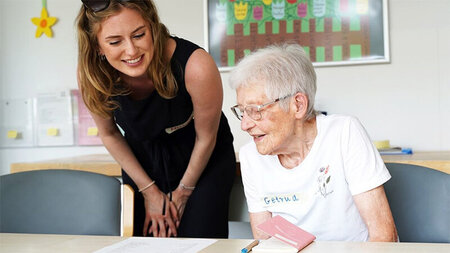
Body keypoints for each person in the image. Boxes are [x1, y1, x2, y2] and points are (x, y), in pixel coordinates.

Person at [75, 0, 235, 238]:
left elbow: (206, 137)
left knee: (199, 240)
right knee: (146, 241)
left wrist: (183, 191)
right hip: (143, 163)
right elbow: (109, 133)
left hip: (202, 157)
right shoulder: (92, 75)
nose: (131, 51)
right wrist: (149, 191)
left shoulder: (196, 66)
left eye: (139, 35)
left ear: (152, 27)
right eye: (115, 42)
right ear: (97, 46)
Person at [229, 43, 398, 241]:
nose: (245, 125)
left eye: (255, 110)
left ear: (298, 105)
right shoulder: (251, 155)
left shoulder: (344, 133)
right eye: (242, 111)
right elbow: (265, 242)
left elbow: (383, 236)